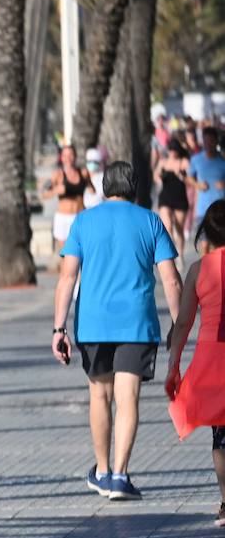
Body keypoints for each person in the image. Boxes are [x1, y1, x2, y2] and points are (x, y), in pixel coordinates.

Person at [51, 162, 181, 501]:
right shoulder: (150, 221)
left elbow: (66, 277)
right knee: (129, 399)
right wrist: (179, 326)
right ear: (135, 187)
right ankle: (121, 476)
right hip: (137, 322)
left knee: (100, 395)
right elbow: (170, 278)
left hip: (93, 323)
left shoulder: (83, 221)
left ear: (104, 187)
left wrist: (58, 327)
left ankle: (103, 469)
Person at [167, 200, 225, 526]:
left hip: (212, 361)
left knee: (221, 435)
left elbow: (184, 323)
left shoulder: (198, 270)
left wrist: (173, 367)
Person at [41, 144, 93, 258]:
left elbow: (93, 190)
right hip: (63, 219)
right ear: (62, 157)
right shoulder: (58, 175)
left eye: (71, 155)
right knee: (65, 255)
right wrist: (55, 191)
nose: (68, 158)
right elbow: (43, 194)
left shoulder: (83, 173)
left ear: (75, 156)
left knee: (81, 254)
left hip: (79, 217)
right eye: (65, 155)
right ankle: (64, 275)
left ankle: (80, 276)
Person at [156, 139, 193, 254]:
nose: (172, 153)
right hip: (165, 197)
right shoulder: (163, 162)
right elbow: (156, 175)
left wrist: (181, 176)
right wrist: (159, 179)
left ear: (178, 151)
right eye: (170, 150)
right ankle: (170, 250)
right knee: (167, 225)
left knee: (179, 228)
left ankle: (180, 254)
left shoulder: (184, 162)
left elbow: (192, 181)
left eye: (174, 150)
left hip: (180, 198)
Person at [187, 127, 225, 231]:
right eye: (206, 141)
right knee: (204, 244)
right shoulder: (196, 159)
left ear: (216, 141)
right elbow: (189, 178)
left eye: (211, 141)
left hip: (220, 210)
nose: (208, 144)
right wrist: (197, 185)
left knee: (218, 244)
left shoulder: (222, 161)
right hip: (203, 209)